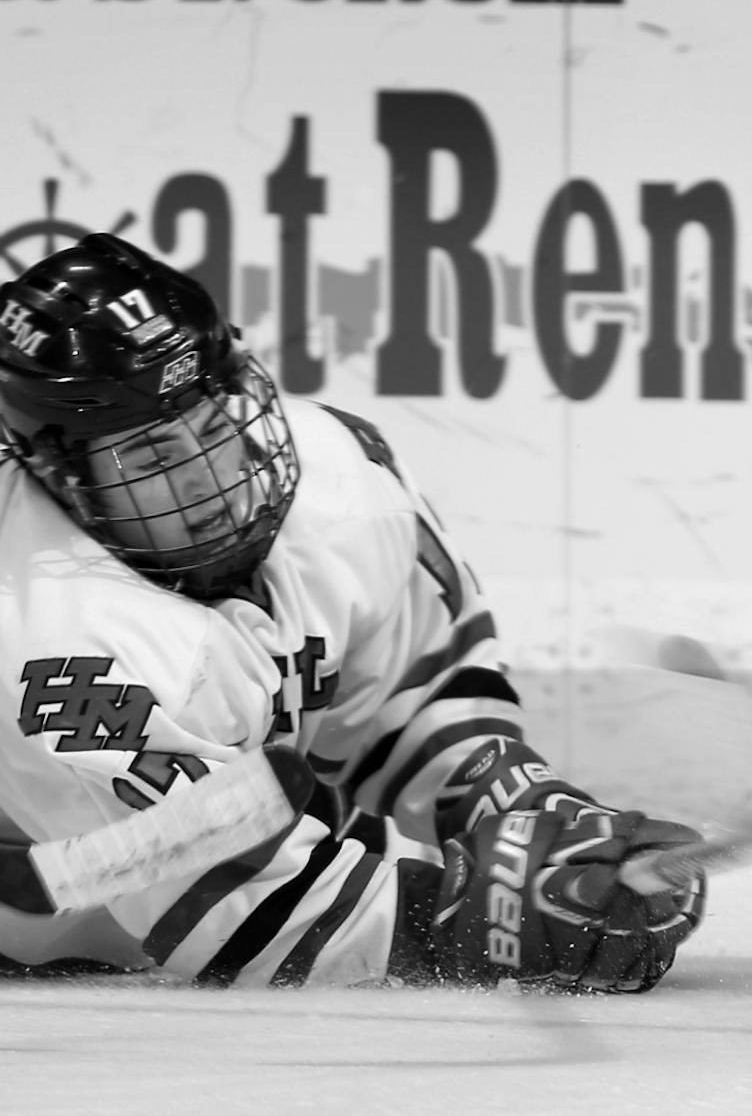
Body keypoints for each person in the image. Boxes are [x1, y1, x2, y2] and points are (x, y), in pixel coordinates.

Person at [0, 232, 706, 989]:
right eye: (152, 459)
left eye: (216, 424)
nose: (216, 477)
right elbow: (248, 919)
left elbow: (412, 696)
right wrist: (487, 925)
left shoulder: (337, 473)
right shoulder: (58, 643)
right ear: (59, 471)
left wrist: (528, 806)